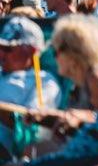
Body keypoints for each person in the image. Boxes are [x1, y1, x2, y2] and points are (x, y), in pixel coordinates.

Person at [0, 17, 62, 155]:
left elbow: (30, 126)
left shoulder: (44, 82)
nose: (1, 54)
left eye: (7, 48)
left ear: (31, 51)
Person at [49, 15, 98, 120]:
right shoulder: (82, 80)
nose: (55, 58)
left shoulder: (97, 78)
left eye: (55, 52)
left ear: (72, 53)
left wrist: (81, 118)